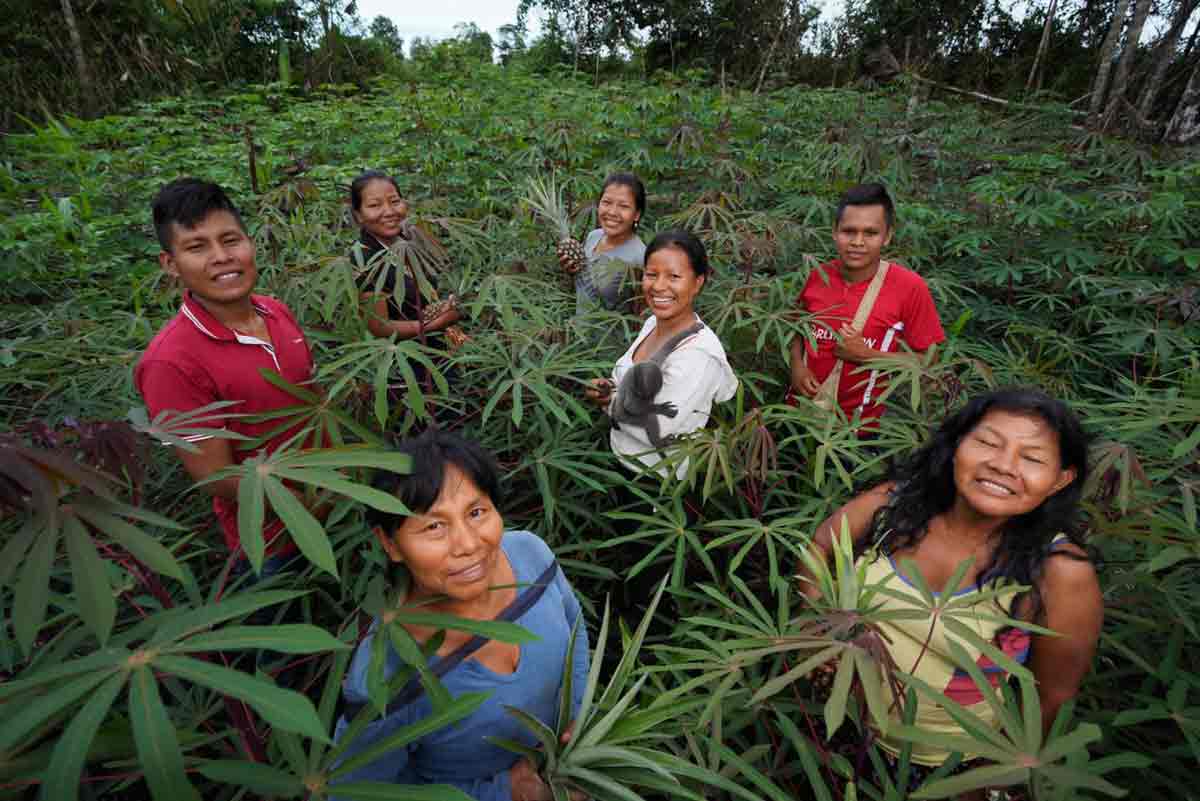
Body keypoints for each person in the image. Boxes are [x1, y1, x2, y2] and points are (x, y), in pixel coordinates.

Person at [801, 388, 1104, 789]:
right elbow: (820, 548)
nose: (1002, 465)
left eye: (1031, 458)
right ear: (957, 445)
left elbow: (1052, 697)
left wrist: (992, 782)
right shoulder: (895, 504)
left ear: (1059, 480)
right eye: (987, 442)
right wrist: (817, 628)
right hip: (831, 721)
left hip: (945, 766)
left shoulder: (1060, 572)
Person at [333, 430, 589, 801]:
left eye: (476, 512)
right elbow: (356, 793)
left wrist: (576, 710)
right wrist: (501, 793)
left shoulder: (532, 555)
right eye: (434, 526)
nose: (469, 544)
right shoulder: (384, 676)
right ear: (390, 543)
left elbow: (574, 624)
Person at [135, 178, 319, 566]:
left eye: (230, 239)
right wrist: (308, 506)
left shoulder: (276, 311)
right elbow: (215, 475)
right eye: (197, 247)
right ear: (170, 264)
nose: (222, 256)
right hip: (271, 545)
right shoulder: (170, 361)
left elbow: (313, 402)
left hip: (335, 508)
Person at [789, 183, 944, 430]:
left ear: (887, 236)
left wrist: (867, 355)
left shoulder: (910, 288)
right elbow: (797, 327)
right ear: (834, 231)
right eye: (849, 231)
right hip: (798, 414)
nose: (857, 242)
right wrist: (797, 366)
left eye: (870, 233)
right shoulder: (819, 275)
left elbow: (929, 361)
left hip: (859, 429)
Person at [586, 230, 738, 479]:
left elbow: (659, 428)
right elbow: (626, 378)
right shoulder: (652, 324)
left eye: (674, 276)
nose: (658, 286)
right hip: (619, 459)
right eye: (651, 274)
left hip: (655, 479)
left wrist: (607, 401)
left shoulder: (699, 354)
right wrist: (607, 386)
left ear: (698, 282)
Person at [349, 171, 461, 342]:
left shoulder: (409, 238)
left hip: (443, 346)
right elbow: (379, 327)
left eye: (394, 202)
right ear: (358, 215)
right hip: (407, 356)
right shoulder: (362, 258)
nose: (389, 212)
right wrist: (434, 324)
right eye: (374, 205)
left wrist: (445, 306)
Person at [566, 172, 647, 315]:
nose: (612, 212)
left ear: (637, 214)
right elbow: (587, 287)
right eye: (607, 202)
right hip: (578, 332)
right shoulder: (593, 237)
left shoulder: (639, 257)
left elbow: (642, 313)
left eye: (623, 206)